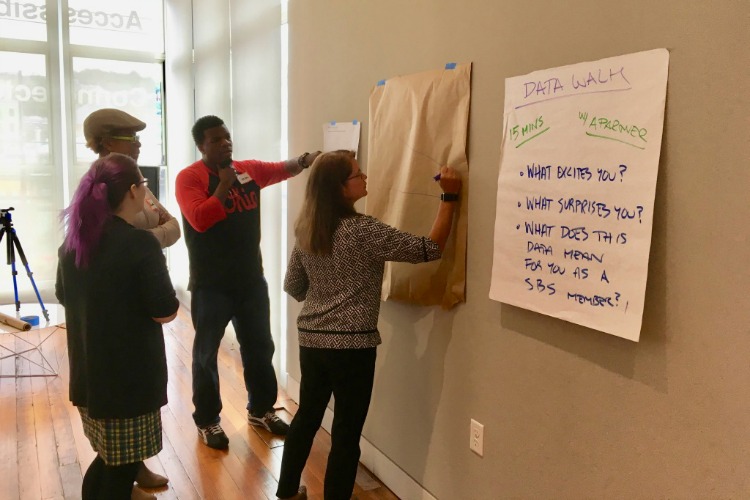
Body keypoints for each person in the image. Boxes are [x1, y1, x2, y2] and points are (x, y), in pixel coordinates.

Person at [276, 150, 462, 500]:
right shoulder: (362, 230)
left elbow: (295, 288)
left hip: (312, 342)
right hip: (352, 347)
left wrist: (327, 284)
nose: (365, 178)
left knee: (307, 418)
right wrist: (449, 197)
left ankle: (286, 493)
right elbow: (428, 248)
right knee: (346, 434)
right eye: (357, 175)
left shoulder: (307, 230)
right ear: (340, 188)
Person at [175, 115, 320, 450]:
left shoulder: (247, 169)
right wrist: (224, 185)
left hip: (250, 280)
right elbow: (199, 219)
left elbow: (280, 169)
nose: (225, 143)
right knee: (205, 355)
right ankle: (208, 421)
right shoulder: (190, 178)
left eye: (227, 137)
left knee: (259, 347)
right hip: (211, 285)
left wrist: (305, 161)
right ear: (201, 146)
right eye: (216, 140)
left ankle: (261, 409)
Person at [55, 153, 179, 500]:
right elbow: (165, 310)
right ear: (134, 191)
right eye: (143, 184)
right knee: (120, 470)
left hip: (90, 378)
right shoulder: (141, 244)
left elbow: (64, 295)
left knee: (112, 460)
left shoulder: (73, 243)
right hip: (129, 382)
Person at [82, 108, 180, 494]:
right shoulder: (111, 187)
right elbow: (165, 308)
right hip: (122, 368)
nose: (138, 141)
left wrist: (137, 245)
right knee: (115, 457)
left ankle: (133, 473)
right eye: (128, 136)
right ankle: (128, 477)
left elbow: (172, 226)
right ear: (106, 142)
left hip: (96, 365)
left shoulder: (84, 235)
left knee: (115, 451)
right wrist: (138, 245)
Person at [83, 108, 181, 249]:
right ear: (108, 143)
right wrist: (157, 234)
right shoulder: (98, 187)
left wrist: (142, 238)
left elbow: (175, 227)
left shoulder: (135, 178)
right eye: (132, 138)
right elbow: (116, 245)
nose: (138, 144)